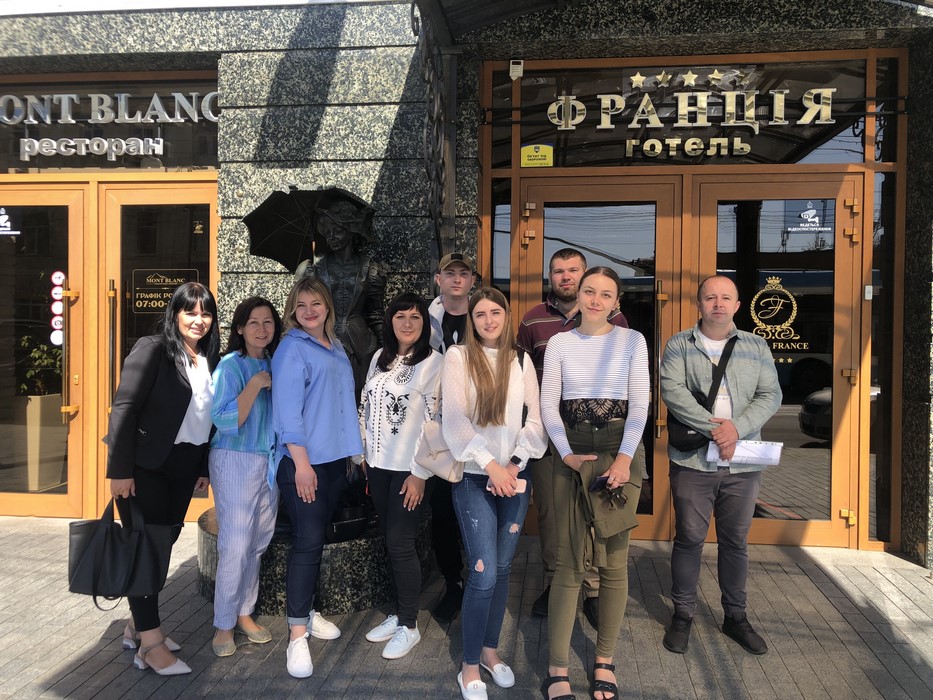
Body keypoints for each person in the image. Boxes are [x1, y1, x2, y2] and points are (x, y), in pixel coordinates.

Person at [539, 266, 649, 700]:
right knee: (569, 563)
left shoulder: (632, 341)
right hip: (571, 449)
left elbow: (640, 404)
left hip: (620, 448)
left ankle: (604, 660)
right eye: (589, 291)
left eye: (606, 294)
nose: (596, 299)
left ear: (616, 301)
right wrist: (566, 454)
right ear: (579, 295)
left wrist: (624, 459)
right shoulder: (560, 343)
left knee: (613, 563)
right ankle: (557, 667)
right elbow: (549, 405)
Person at [659, 275, 781, 656]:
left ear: (737, 305)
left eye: (726, 297)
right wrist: (717, 430)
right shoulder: (679, 344)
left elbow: (771, 394)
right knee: (689, 538)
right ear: (698, 304)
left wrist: (736, 429)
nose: (718, 303)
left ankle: (736, 616)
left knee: (735, 541)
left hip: (742, 464)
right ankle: (682, 614)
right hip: (693, 461)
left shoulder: (756, 346)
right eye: (710, 297)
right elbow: (673, 392)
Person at [107, 281, 220, 676]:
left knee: (165, 541)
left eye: (206, 312)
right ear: (175, 313)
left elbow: (205, 418)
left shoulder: (208, 357)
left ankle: (137, 625)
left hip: (183, 466)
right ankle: (151, 646)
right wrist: (119, 470)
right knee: (146, 550)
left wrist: (202, 467)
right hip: (144, 467)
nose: (199, 319)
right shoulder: (153, 348)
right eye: (190, 311)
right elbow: (124, 407)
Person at [442, 287, 547, 700]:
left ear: (507, 316)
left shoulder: (521, 359)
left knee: (503, 569)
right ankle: (468, 666)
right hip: (475, 477)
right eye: (480, 314)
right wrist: (491, 466)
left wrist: (514, 465)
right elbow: (454, 421)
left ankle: (488, 650)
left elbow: (536, 421)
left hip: (514, 477)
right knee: (483, 571)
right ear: (471, 320)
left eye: (495, 313)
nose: (489, 320)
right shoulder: (458, 357)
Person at [517, 247, 629, 625]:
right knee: (553, 513)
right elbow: (521, 375)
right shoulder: (533, 320)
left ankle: (593, 587)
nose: (565, 277)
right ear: (551, 277)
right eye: (558, 271)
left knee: (595, 507)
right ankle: (556, 581)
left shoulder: (614, 319)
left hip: (598, 433)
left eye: (573, 270)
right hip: (548, 434)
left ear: (584, 276)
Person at [271, 276, 363, 678]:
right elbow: (287, 413)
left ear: (328, 306)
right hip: (303, 462)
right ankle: (296, 636)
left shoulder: (335, 345)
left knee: (317, 537)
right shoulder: (291, 348)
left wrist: (354, 452)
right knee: (307, 542)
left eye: (316, 304)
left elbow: (342, 404)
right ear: (293, 310)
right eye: (301, 305)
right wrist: (302, 465)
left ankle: (308, 612)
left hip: (333, 461)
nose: (309, 311)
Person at [357, 292, 444, 659]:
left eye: (415, 317)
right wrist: (363, 453)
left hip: (410, 470)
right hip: (378, 467)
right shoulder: (380, 357)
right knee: (391, 542)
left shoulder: (435, 363)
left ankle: (409, 625)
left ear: (425, 323)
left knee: (401, 543)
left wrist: (420, 473)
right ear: (390, 321)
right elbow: (364, 405)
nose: (407, 323)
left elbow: (437, 421)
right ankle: (399, 612)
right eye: (400, 316)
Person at [208, 296, 282, 657]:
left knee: (257, 542)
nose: (261, 329)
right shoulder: (230, 366)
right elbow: (223, 419)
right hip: (234, 459)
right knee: (235, 544)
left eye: (268, 322)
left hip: (268, 462)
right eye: (253, 322)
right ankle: (223, 624)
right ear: (240, 327)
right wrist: (254, 385)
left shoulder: (274, 362)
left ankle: (244, 613)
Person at [427, 252, 476, 623]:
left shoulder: (485, 314)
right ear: (438, 279)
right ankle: (452, 583)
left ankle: (478, 580)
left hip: (478, 428)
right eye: (450, 273)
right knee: (442, 511)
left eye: (464, 273)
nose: (456, 279)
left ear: (472, 280)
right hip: (438, 429)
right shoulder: (425, 319)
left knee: (474, 509)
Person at [296, 192, 386, 396]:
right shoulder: (313, 269)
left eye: (337, 231)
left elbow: (375, 315)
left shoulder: (371, 270)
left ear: (351, 231)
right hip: (323, 342)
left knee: (360, 398)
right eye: (327, 232)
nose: (331, 237)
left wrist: (386, 351)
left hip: (362, 346)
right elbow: (296, 313)